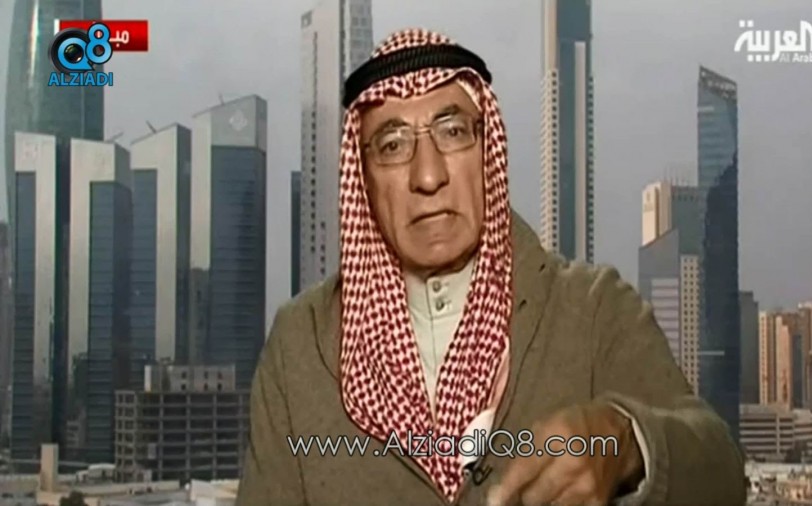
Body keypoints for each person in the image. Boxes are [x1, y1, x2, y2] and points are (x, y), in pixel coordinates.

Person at [236, 28, 746, 506]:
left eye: (453, 131)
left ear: (488, 151)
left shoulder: (592, 309)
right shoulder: (300, 343)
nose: (428, 175)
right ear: (362, 178)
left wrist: (626, 441)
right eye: (393, 146)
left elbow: (722, 471)